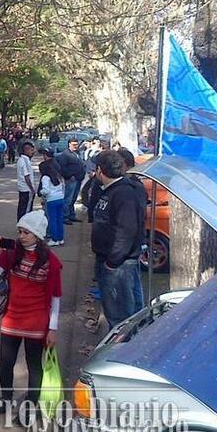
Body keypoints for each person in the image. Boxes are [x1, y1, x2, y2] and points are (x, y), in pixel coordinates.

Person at [0, 210, 62, 422]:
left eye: (26, 232)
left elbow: (56, 297)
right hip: (11, 317)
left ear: (37, 235)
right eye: (19, 231)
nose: (21, 236)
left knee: (34, 365)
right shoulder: (12, 253)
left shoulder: (51, 262)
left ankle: (31, 404)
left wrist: (53, 328)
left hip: (36, 321)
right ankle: (6, 398)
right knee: (5, 362)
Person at [91, 150, 144, 328]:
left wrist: (112, 262)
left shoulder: (123, 193)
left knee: (119, 314)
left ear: (100, 170)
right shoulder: (109, 190)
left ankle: (124, 343)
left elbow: (126, 231)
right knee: (118, 310)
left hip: (118, 265)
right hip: (111, 261)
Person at [117, 148, 147, 313]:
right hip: (131, 242)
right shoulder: (128, 184)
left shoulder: (134, 186)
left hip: (132, 243)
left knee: (131, 283)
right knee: (132, 280)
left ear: (125, 164)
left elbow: (137, 217)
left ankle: (136, 315)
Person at [56, 138, 86, 225]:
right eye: (73, 144)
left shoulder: (77, 153)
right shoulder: (65, 154)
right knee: (68, 199)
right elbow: (62, 167)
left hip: (78, 179)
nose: (75, 146)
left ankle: (71, 215)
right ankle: (65, 217)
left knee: (73, 199)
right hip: (71, 180)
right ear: (69, 144)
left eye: (76, 144)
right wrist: (69, 176)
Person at [39, 158, 65, 247]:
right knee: (59, 219)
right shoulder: (57, 176)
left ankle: (54, 239)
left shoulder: (45, 178)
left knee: (52, 220)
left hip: (52, 200)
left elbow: (46, 190)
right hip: (60, 198)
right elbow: (63, 187)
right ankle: (60, 238)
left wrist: (41, 192)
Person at [16, 142, 36, 221]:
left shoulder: (23, 160)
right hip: (26, 189)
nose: (33, 152)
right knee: (26, 209)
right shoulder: (24, 161)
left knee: (22, 208)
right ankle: (24, 224)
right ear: (26, 150)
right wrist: (32, 189)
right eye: (31, 150)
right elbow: (26, 176)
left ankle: (21, 223)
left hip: (24, 188)